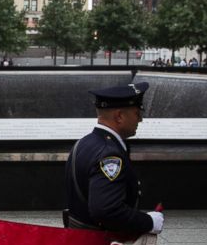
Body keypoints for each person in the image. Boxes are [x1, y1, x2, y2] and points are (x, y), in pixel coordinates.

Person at [63, 82, 163, 234]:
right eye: (137, 113)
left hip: (79, 239)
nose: (140, 119)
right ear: (119, 116)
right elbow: (106, 210)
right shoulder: (109, 155)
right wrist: (149, 222)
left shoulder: (84, 142)